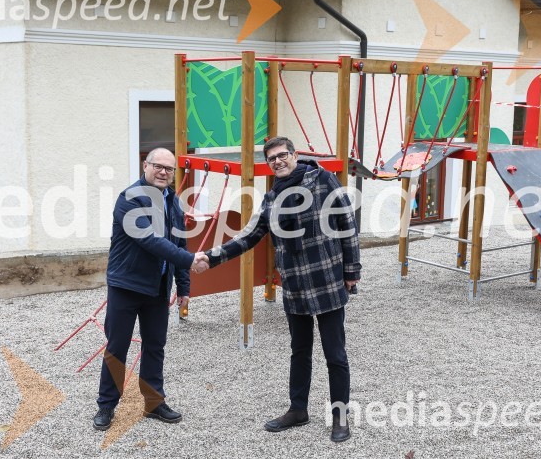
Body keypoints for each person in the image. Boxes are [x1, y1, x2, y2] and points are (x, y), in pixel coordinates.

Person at [205, 137, 361, 442]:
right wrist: (210, 258)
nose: (278, 161)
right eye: (272, 158)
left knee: (335, 354)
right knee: (299, 351)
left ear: (295, 155)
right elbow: (250, 235)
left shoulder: (323, 180)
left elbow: (346, 223)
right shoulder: (272, 196)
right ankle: (298, 410)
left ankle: (340, 417)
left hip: (326, 279)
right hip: (294, 284)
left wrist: (352, 271)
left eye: (282, 155)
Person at [93, 147, 209, 431]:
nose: (163, 172)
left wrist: (183, 284)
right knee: (117, 347)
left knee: (155, 346)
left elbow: (179, 243)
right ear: (145, 166)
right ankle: (106, 406)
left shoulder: (173, 201)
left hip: (157, 287)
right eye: (158, 166)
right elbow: (151, 240)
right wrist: (192, 261)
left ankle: (154, 403)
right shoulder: (129, 199)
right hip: (126, 285)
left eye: (169, 169)